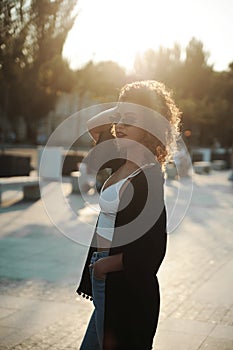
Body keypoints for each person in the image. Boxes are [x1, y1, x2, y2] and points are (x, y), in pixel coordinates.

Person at [77, 80, 181, 350]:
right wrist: (126, 106)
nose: (120, 125)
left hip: (122, 282)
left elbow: (152, 250)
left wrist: (103, 266)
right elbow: (93, 125)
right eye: (119, 119)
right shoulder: (121, 161)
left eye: (130, 121)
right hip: (106, 275)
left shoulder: (147, 178)